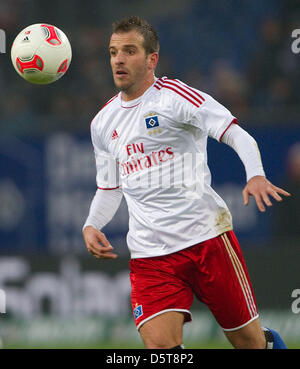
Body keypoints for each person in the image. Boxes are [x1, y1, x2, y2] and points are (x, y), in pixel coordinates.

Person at [82, 16, 290, 349]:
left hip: (206, 240)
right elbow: (109, 187)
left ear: (152, 59)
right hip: (151, 255)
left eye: (129, 51)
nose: (118, 59)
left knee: (250, 344)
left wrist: (255, 174)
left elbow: (234, 132)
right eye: (113, 52)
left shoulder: (175, 98)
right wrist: (92, 224)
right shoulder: (102, 123)